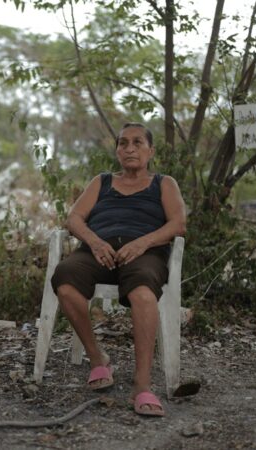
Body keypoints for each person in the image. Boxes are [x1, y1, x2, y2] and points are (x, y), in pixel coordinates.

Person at [50, 122, 186, 417]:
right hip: (97, 251)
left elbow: (178, 224)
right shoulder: (102, 182)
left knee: (143, 292)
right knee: (65, 278)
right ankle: (98, 358)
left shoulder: (164, 183)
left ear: (150, 151)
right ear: (117, 151)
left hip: (144, 254)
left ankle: (142, 384)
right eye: (123, 143)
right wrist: (95, 242)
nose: (129, 148)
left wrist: (142, 243)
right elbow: (74, 219)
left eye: (138, 143)